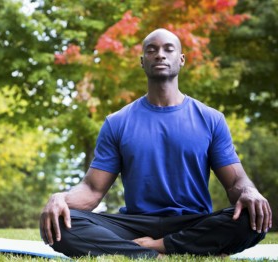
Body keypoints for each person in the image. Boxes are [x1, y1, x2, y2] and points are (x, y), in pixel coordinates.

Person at [39, 28, 272, 259]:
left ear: (181, 60)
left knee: (252, 217)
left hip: (192, 221)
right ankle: (158, 251)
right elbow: (92, 190)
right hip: (135, 223)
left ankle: (155, 247)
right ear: (142, 62)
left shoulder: (211, 119)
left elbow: (235, 183)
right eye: (152, 50)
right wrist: (61, 198)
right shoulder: (117, 122)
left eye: (168, 49)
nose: (160, 55)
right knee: (59, 222)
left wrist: (249, 192)